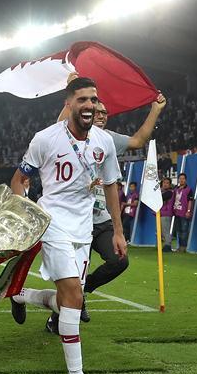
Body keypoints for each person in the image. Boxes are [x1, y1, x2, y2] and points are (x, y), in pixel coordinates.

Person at [8, 77, 125, 374]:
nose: (90, 105)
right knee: (75, 295)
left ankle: (21, 294)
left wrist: (117, 230)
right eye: (84, 99)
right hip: (53, 222)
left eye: (94, 100)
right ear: (69, 103)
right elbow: (20, 179)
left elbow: (112, 185)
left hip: (83, 227)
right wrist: (26, 213)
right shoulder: (45, 139)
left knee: (66, 301)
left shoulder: (104, 142)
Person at [57, 89, 166, 322]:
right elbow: (59, 124)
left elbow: (138, 140)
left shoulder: (108, 140)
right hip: (76, 219)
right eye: (97, 111)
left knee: (119, 261)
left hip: (101, 220)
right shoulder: (69, 134)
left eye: (106, 113)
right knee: (74, 273)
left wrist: (155, 109)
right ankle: (57, 318)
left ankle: (84, 292)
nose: (103, 115)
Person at [170, 173, 193, 252]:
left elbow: (190, 201)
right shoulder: (176, 189)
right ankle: (180, 247)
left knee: (184, 230)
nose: (181, 180)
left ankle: (183, 247)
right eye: (180, 178)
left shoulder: (189, 189)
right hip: (176, 212)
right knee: (179, 231)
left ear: (185, 180)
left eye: (183, 178)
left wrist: (188, 211)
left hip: (184, 213)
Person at [160, 177, 176, 252]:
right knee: (162, 231)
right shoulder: (163, 192)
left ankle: (168, 245)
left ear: (170, 185)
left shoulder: (170, 192)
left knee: (166, 230)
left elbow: (161, 198)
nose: (165, 184)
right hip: (161, 213)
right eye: (164, 183)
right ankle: (165, 245)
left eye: (167, 183)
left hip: (166, 213)